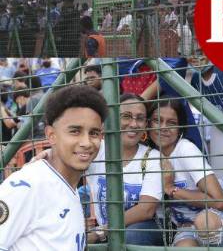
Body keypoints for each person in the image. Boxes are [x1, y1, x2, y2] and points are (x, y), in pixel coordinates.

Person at [0, 85, 107, 249]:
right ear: (51, 135)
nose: (86, 143)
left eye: (94, 133)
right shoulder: (27, 187)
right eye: (75, 131)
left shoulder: (66, 182)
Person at [148, 97, 223, 247]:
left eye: (171, 123)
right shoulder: (148, 155)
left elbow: (219, 202)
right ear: (148, 124)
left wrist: (171, 189)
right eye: (157, 120)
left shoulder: (185, 149)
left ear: (180, 129)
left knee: (205, 224)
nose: (163, 127)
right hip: (187, 225)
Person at [85, 94, 164, 245]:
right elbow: (69, 153)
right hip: (104, 232)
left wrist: (100, 232)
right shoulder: (98, 148)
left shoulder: (152, 157)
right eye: (126, 116)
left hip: (142, 231)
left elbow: (146, 210)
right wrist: (48, 153)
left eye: (140, 118)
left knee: (130, 237)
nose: (134, 124)